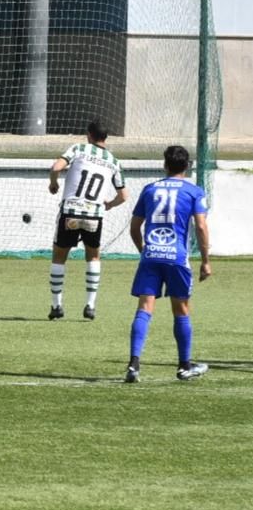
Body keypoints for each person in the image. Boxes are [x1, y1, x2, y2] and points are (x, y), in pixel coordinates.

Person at [123, 145, 212, 383]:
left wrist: (145, 251)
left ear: (165, 164)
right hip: (177, 257)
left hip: (151, 255)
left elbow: (134, 227)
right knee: (181, 309)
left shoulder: (150, 189)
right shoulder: (194, 191)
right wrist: (205, 260)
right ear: (187, 166)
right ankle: (184, 365)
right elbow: (201, 226)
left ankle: (133, 364)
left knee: (144, 307)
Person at [47, 120, 128, 321]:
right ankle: (90, 305)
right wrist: (109, 204)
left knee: (59, 257)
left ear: (88, 135)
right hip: (94, 216)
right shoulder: (113, 161)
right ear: (105, 138)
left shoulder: (78, 149)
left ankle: (57, 306)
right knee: (93, 257)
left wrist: (54, 184)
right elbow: (124, 196)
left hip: (70, 213)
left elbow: (56, 167)